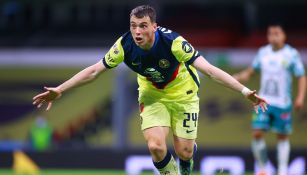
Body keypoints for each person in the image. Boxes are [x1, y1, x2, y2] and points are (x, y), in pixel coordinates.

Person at [33, 5, 267, 175]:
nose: (137, 31)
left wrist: (245, 91)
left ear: (154, 27)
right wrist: (60, 89)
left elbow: (210, 70)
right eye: (134, 26)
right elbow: (95, 70)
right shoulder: (124, 45)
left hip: (183, 94)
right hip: (152, 95)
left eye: (143, 26)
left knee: (184, 152)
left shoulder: (174, 42)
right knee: (155, 145)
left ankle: (187, 156)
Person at [234, 24, 306, 175]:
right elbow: (251, 71)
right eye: (270, 34)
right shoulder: (263, 52)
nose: (273, 37)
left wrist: (300, 97)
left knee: (282, 136)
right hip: (263, 101)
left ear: (284, 36)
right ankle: (263, 168)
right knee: (257, 133)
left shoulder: (291, 54)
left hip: (283, 103)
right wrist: (237, 77)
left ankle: (282, 171)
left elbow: (301, 75)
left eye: (277, 33)